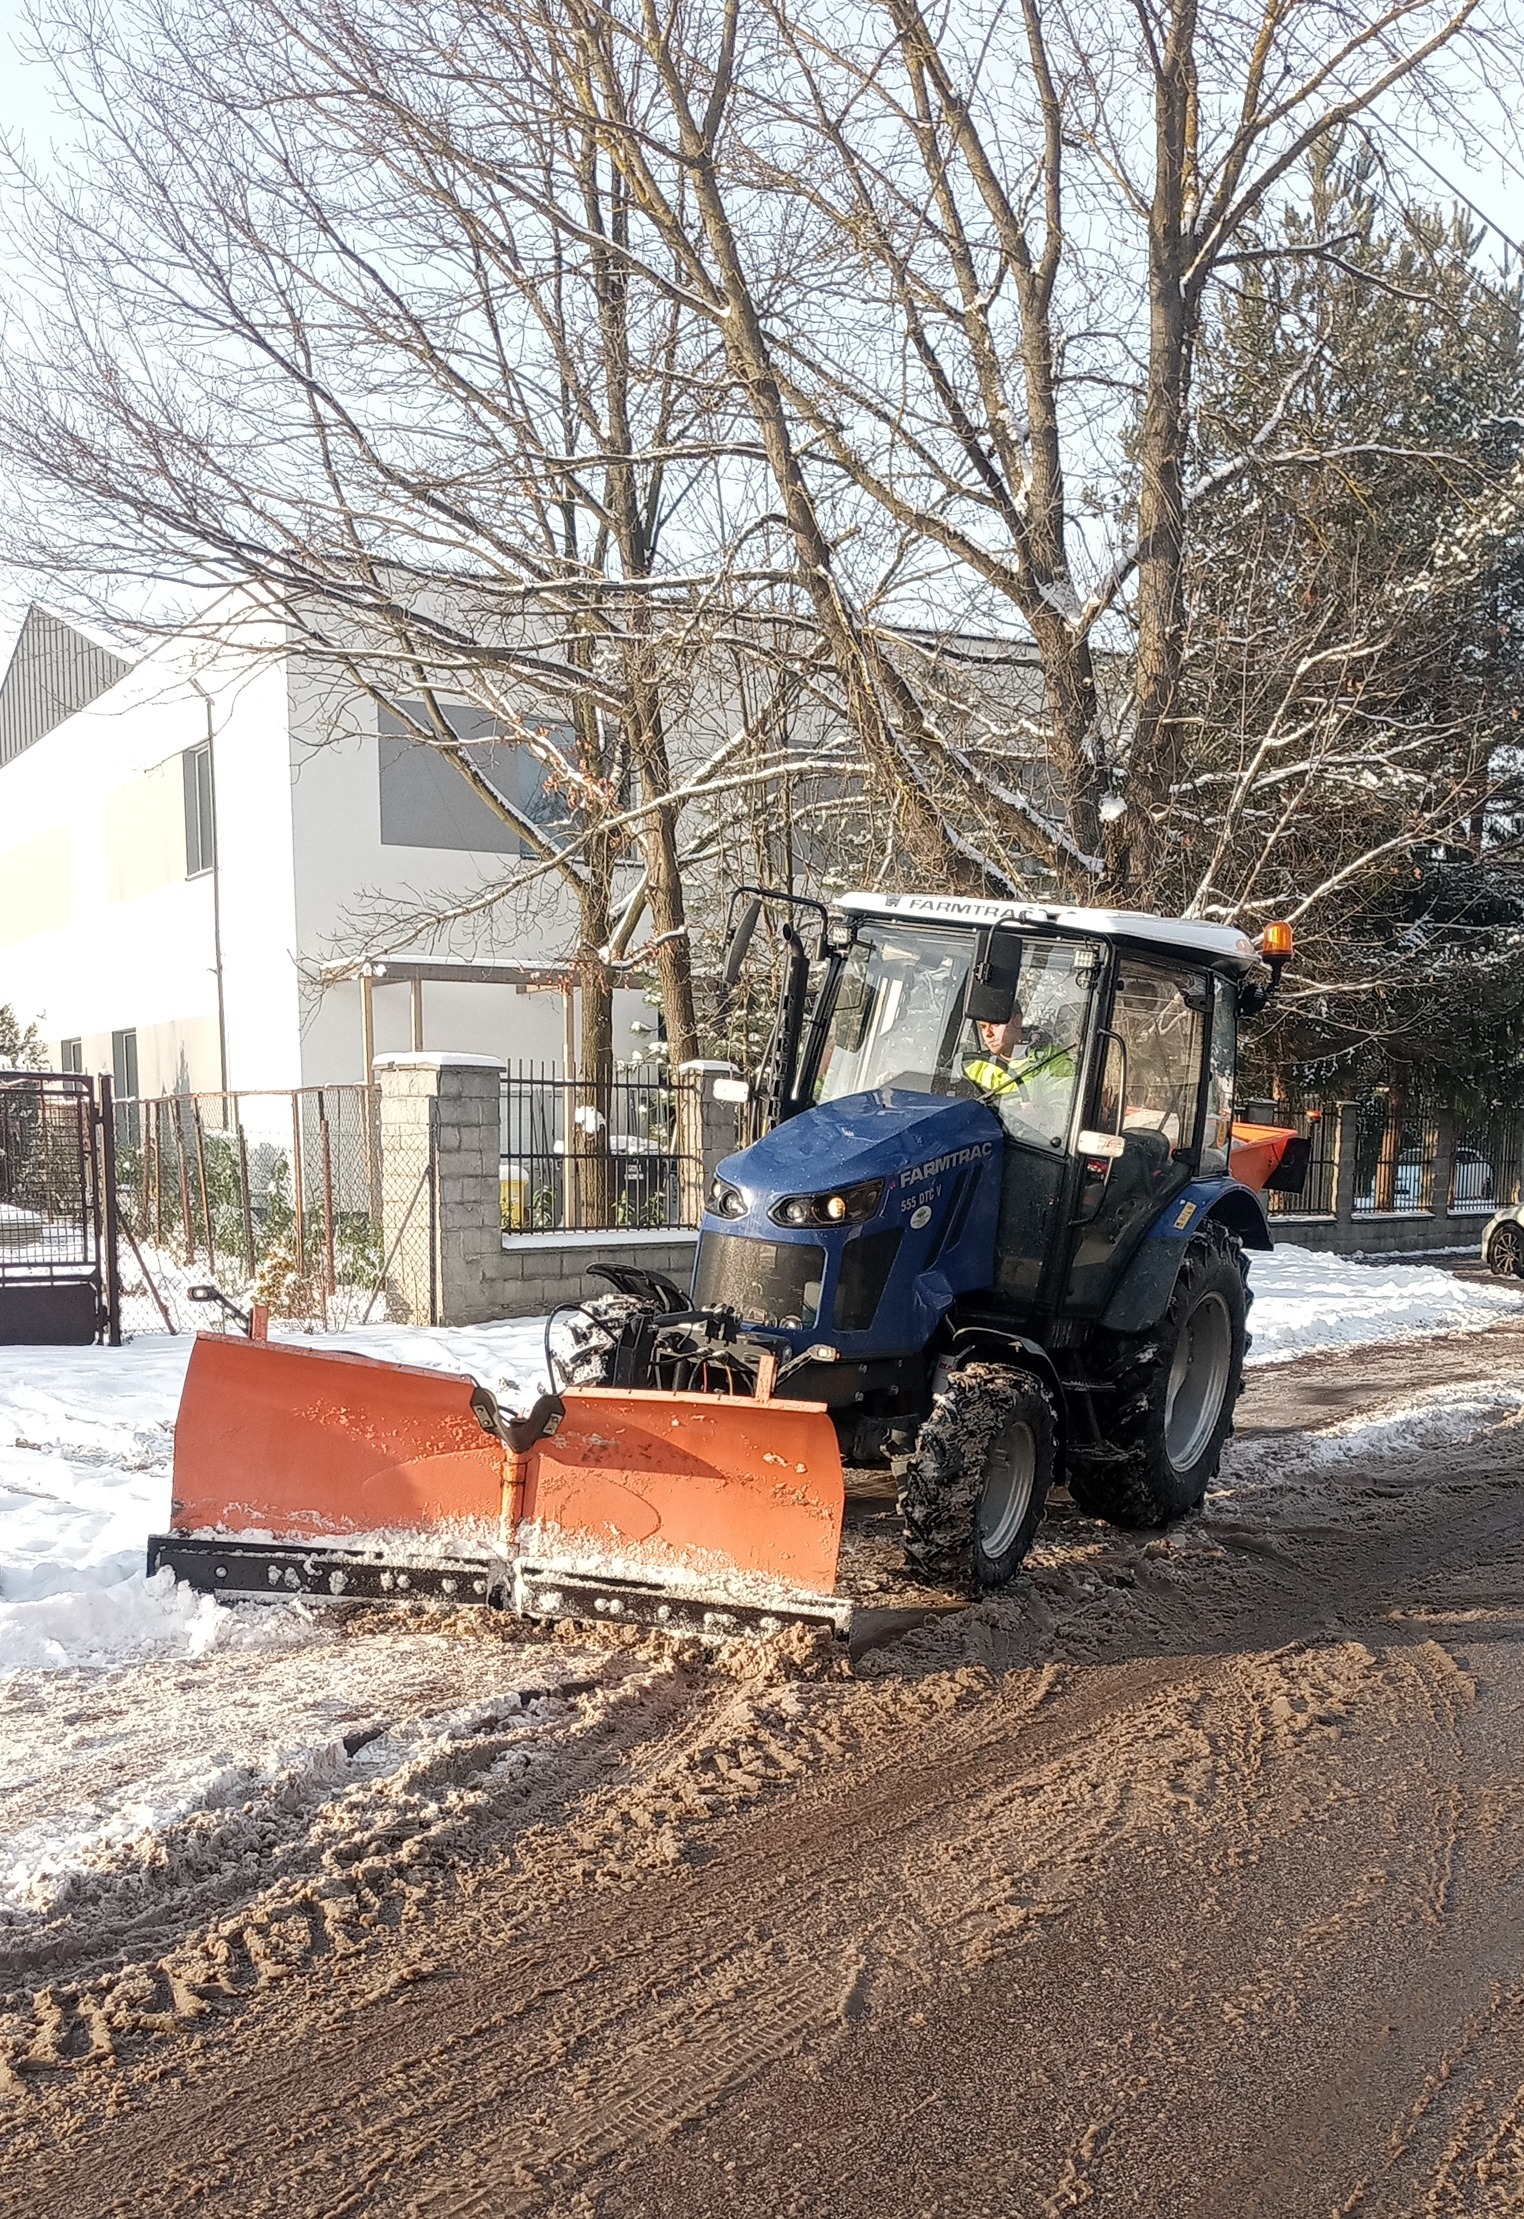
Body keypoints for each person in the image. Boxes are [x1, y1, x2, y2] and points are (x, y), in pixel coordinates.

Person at [962, 1004, 1078, 1139]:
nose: (988, 1034)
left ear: (1017, 1021)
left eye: (995, 1025)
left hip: (1029, 1147)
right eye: (983, 1027)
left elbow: (1067, 1114)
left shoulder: (1052, 1062)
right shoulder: (973, 1065)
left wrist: (1038, 1113)